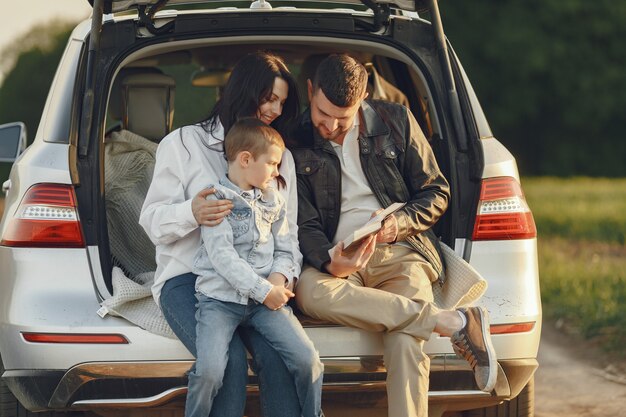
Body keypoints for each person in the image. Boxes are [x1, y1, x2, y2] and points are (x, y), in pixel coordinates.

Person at [290, 54, 497, 417]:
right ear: (311, 91)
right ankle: (451, 322)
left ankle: (430, 324)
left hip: (400, 252)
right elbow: (303, 223)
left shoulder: (396, 120)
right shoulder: (294, 138)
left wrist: (396, 224)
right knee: (308, 291)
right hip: (336, 256)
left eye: (344, 116)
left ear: (364, 95)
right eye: (324, 114)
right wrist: (327, 259)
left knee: (405, 340)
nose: (332, 126)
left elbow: (437, 192)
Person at [140, 51, 303, 416]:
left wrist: (278, 280)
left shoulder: (281, 158)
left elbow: (286, 236)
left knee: (281, 358)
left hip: (259, 281)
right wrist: (192, 212)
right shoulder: (182, 144)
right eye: (269, 98)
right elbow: (151, 221)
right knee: (226, 364)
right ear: (245, 92)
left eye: (282, 102)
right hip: (189, 279)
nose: (276, 110)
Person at [187, 118, 323, 417]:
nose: (277, 171)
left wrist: (277, 280)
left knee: (308, 361)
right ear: (246, 159)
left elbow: (286, 247)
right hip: (220, 301)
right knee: (209, 371)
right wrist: (264, 291)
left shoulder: (273, 199)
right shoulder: (216, 199)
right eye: (273, 163)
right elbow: (223, 259)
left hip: (264, 303)